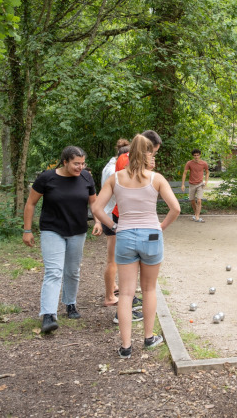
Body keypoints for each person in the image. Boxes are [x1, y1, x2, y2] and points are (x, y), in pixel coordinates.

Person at [93, 134, 180, 358]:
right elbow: (176, 208)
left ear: (129, 154)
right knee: (149, 289)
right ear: (148, 154)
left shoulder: (116, 178)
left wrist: (113, 225)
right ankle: (149, 338)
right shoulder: (156, 178)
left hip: (125, 236)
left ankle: (125, 347)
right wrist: (161, 226)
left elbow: (96, 209)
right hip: (151, 235)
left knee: (126, 294)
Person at [23, 146, 99, 334]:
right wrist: (27, 230)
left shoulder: (86, 178)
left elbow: (94, 202)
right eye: (76, 163)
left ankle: (70, 303)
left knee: (72, 271)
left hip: (77, 231)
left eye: (82, 163)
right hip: (52, 230)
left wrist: (98, 221)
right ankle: (48, 315)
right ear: (65, 162)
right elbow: (31, 203)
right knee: (54, 271)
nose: (80, 167)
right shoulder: (47, 178)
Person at [108, 130, 163, 324]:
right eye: (152, 153)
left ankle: (126, 344)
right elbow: (135, 182)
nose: (153, 156)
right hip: (127, 219)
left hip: (126, 225)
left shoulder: (126, 160)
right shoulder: (127, 162)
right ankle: (132, 322)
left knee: (128, 289)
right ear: (145, 149)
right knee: (142, 288)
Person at [100, 139, 129, 307]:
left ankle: (114, 286)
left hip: (110, 214)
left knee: (114, 257)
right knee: (113, 259)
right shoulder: (113, 170)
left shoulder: (110, 166)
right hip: (111, 216)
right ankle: (110, 296)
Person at [181, 149, 209, 223]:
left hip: (200, 184)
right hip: (191, 184)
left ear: (200, 155)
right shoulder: (189, 163)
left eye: (197, 155)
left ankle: (197, 216)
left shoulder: (204, 163)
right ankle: (196, 214)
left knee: (199, 200)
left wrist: (206, 181)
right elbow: (184, 173)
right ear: (193, 156)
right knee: (192, 201)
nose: (196, 157)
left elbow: (207, 172)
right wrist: (183, 184)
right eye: (195, 155)